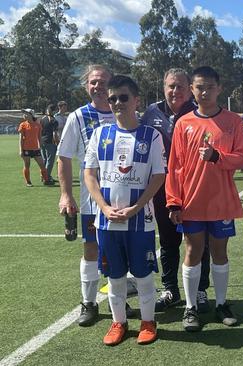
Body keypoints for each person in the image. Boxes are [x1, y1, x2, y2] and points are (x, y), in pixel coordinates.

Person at [84, 75, 166, 346]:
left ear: (136, 100)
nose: (117, 103)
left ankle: (147, 322)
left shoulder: (151, 136)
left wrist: (136, 207)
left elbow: (158, 177)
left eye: (123, 97)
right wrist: (104, 207)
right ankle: (118, 322)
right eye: (113, 98)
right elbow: (90, 175)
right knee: (114, 276)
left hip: (140, 221)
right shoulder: (100, 134)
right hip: (107, 222)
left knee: (143, 276)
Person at [166, 66, 243, 331]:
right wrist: (173, 200)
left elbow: (242, 158)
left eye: (210, 87)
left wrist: (218, 157)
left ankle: (221, 304)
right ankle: (190, 309)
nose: (204, 92)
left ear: (219, 89)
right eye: (199, 87)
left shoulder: (233, 121)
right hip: (191, 201)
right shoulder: (183, 123)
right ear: (192, 89)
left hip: (221, 201)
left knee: (219, 253)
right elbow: (175, 166)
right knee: (192, 251)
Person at [141, 68, 212, 313]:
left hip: (195, 187)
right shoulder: (151, 112)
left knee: (199, 242)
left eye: (181, 86)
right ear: (164, 88)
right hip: (162, 188)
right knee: (169, 241)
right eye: (171, 86)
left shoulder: (199, 110)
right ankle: (170, 289)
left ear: (189, 88)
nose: (175, 91)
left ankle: (201, 290)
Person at [57, 64, 116, 326]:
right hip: (92, 200)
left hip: (124, 198)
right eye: (93, 82)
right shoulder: (78, 117)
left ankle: (118, 297)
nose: (98, 86)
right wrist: (65, 195)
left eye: (103, 81)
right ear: (86, 86)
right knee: (91, 248)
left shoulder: (124, 112)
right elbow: (64, 157)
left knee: (118, 249)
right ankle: (89, 303)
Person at [18, 108, 48, 187]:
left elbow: (39, 138)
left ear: (31, 115)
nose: (24, 115)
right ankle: (28, 182)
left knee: (42, 165)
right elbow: (20, 139)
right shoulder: (22, 125)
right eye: (24, 113)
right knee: (27, 165)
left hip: (36, 149)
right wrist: (21, 150)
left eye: (26, 113)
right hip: (26, 149)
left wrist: (41, 147)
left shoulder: (37, 125)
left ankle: (46, 180)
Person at [40, 104, 59, 185]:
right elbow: (54, 133)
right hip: (50, 142)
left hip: (42, 141)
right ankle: (46, 178)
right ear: (54, 111)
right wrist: (57, 143)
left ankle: (43, 176)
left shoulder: (41, 119)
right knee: (50, 161)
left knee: (44, 160)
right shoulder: (54, 120)